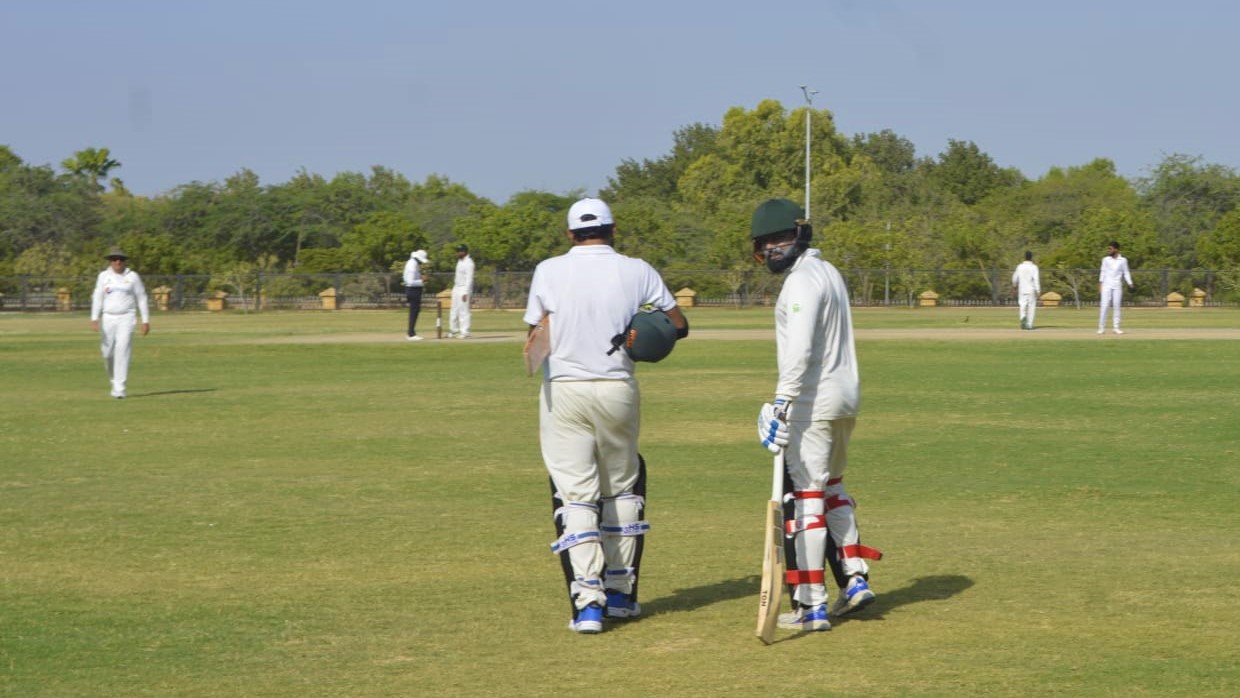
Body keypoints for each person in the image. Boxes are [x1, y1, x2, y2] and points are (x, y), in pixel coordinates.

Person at [523, 197, 688, 634]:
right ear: (613, 230)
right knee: (620, 490)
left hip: (565, 390)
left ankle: (588, 604)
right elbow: (678, 324)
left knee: (576, 494)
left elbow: (536, 334)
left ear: (570, 234)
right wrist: (641, 329)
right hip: (617, 387)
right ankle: (620, 594)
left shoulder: (548, 270)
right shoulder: (638, 269)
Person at [751, 198, 881, 633]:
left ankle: (812, 606)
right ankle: (854, 578)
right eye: (765, 243)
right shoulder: (829, 272)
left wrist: (782, 402)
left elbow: (800, 348)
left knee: (807, 496)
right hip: (845, 399)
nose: (771, 249)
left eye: (778, 239)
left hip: (813, 401)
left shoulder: (801, 281)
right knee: (833, 489)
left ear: (800, 235)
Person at [89, 247, 150, 399]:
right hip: (108, 317)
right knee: (107, 352)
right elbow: (98, 296)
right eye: (114, 259)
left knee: (122, 350)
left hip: (127, 317)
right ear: (110, 261)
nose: (118, 262)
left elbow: (142, 297)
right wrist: (94, 317)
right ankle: (113, 380)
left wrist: (145, 320)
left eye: (121, 259)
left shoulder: (133, 276)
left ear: (124, 261)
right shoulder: (103, 276)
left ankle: (120, 388)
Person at [1097, 240, 1134, 335]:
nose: (1109, 250)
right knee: (1104, 306)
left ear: (1116, 249)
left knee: (1117, 306)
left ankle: (1116, 328)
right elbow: (1103, 272)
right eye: (1108, 249)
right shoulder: (1105, 260)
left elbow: (1126, 272)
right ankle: (1101, 328)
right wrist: (1100, 283)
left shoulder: (1123, 260)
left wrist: (1130, 283)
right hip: (1106, 285)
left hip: (1117, 285)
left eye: (1111, 249)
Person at [448, 243, 475, 338]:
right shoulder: (459, 261)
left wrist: (466, 292)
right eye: (458, 251)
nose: (458, 253)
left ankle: (465, 332)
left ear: (465, 252)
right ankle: (453, 330)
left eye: (460, 251)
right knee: (454, 310)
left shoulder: (469, 263)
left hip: (464, 288)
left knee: (463, 310)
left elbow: (469, 279)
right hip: (456, 287)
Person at [402, 249, 429, 340]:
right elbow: (410, 281)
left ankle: (411, 332)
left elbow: (410, 278)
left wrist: (420, 277)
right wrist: (422, 280)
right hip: (413, 290)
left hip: (413, 290)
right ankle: (411, 334)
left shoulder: (413, 263)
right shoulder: (412, 266)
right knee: (414, 312)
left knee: (415, 311)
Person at [1011, 251, 1041, 330]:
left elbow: (1014, 278)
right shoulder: (1034, 267)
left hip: (1022, 289)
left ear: (1024, 257)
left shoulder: (1020, 267)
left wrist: (1014, 286)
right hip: (1031, 289)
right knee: (1031, 307)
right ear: (1031, 257)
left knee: (1022, 305)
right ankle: (1029, 324)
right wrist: (1038, 290)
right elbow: (1036, 280)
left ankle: (1023, 318)